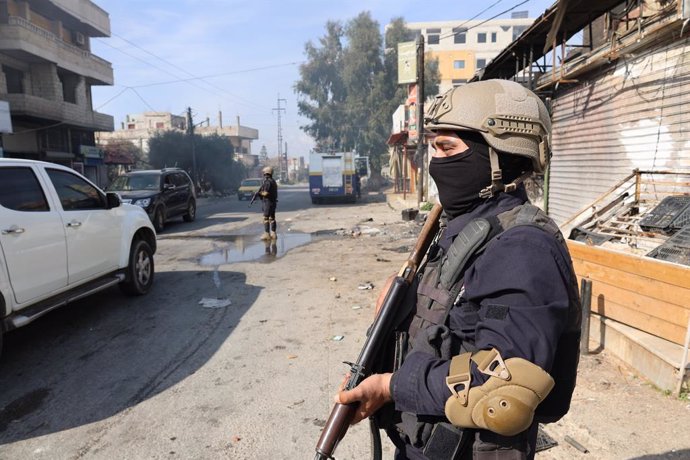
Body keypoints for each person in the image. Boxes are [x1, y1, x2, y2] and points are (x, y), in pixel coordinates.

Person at [336, 80, 582, 459]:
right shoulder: (463, 228)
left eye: (448, 148)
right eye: (433, 148)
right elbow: (448, 329)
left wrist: (391, 386)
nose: (436, 162)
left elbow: (504, 389)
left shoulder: (523, 248)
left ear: (499, 156)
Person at [259, 166, 278, 241]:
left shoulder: (267, 182)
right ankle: (273, 234)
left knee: (266, 218)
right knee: (272, 218)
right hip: (273, 202)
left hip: (268, 202)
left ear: (266, 173)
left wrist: (259, 193)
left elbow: (265, 193)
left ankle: (267, 234)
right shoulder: (273, 181)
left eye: (264, 173)